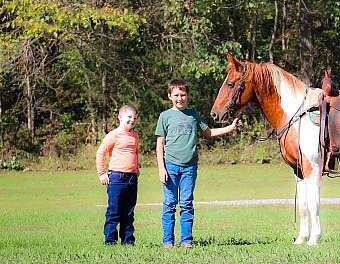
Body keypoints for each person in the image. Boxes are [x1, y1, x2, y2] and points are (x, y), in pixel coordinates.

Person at [155, 79, 241, 249]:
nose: (180, 98)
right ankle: (168, 241)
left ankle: (186, 240)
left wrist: (230, 128)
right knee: (169, 204)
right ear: (169, 96)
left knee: (186, 203)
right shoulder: (165, 116)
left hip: (189, 167)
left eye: (183, 95)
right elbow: (160, 144)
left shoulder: (193, 114)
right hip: (170, 166)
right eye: (176, 95)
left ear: (188, 96)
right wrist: (161, 168)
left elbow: (209, 133)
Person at [95, 104, 140, 246]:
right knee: (114, 211)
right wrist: (102, 173)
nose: (132, 120)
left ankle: (128, 241)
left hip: (132, 178)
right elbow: (100, 153)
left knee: (129, 212)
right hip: (116, 178)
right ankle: (110, 241)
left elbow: (135, 152)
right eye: (129, 117)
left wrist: (136, 168)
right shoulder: (114, 135)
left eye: (135, 118)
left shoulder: (135, 136)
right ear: (120, 117)